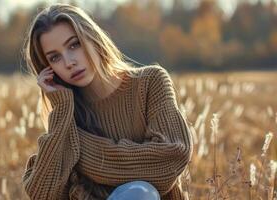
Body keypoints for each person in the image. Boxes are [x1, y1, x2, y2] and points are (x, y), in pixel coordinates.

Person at [21, 3, 193, 200]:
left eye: (74, 45)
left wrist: (80, 150)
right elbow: (42, 194)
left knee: (140, 193)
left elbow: (169, 161)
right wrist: (61, 111)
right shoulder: (66, 114)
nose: (69, 62)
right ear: (48, 68)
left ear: (92, 38)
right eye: (55, 58)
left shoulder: (149, 83)